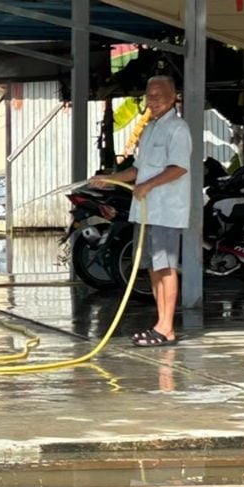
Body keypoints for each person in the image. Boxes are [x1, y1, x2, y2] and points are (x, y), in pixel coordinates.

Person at [90, 75, 192, 347]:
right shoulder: (148, 129)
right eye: (149, 96)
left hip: (167, 211)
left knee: (166, 266)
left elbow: (179, 167)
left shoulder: (178, 129)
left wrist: (147, 185)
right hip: (146, 212)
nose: (153, 101)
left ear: (173, 97)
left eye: (159, 96)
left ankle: (166, 328)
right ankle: (161, 324)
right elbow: (138, 169)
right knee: (152, 268)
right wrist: (111, 179)